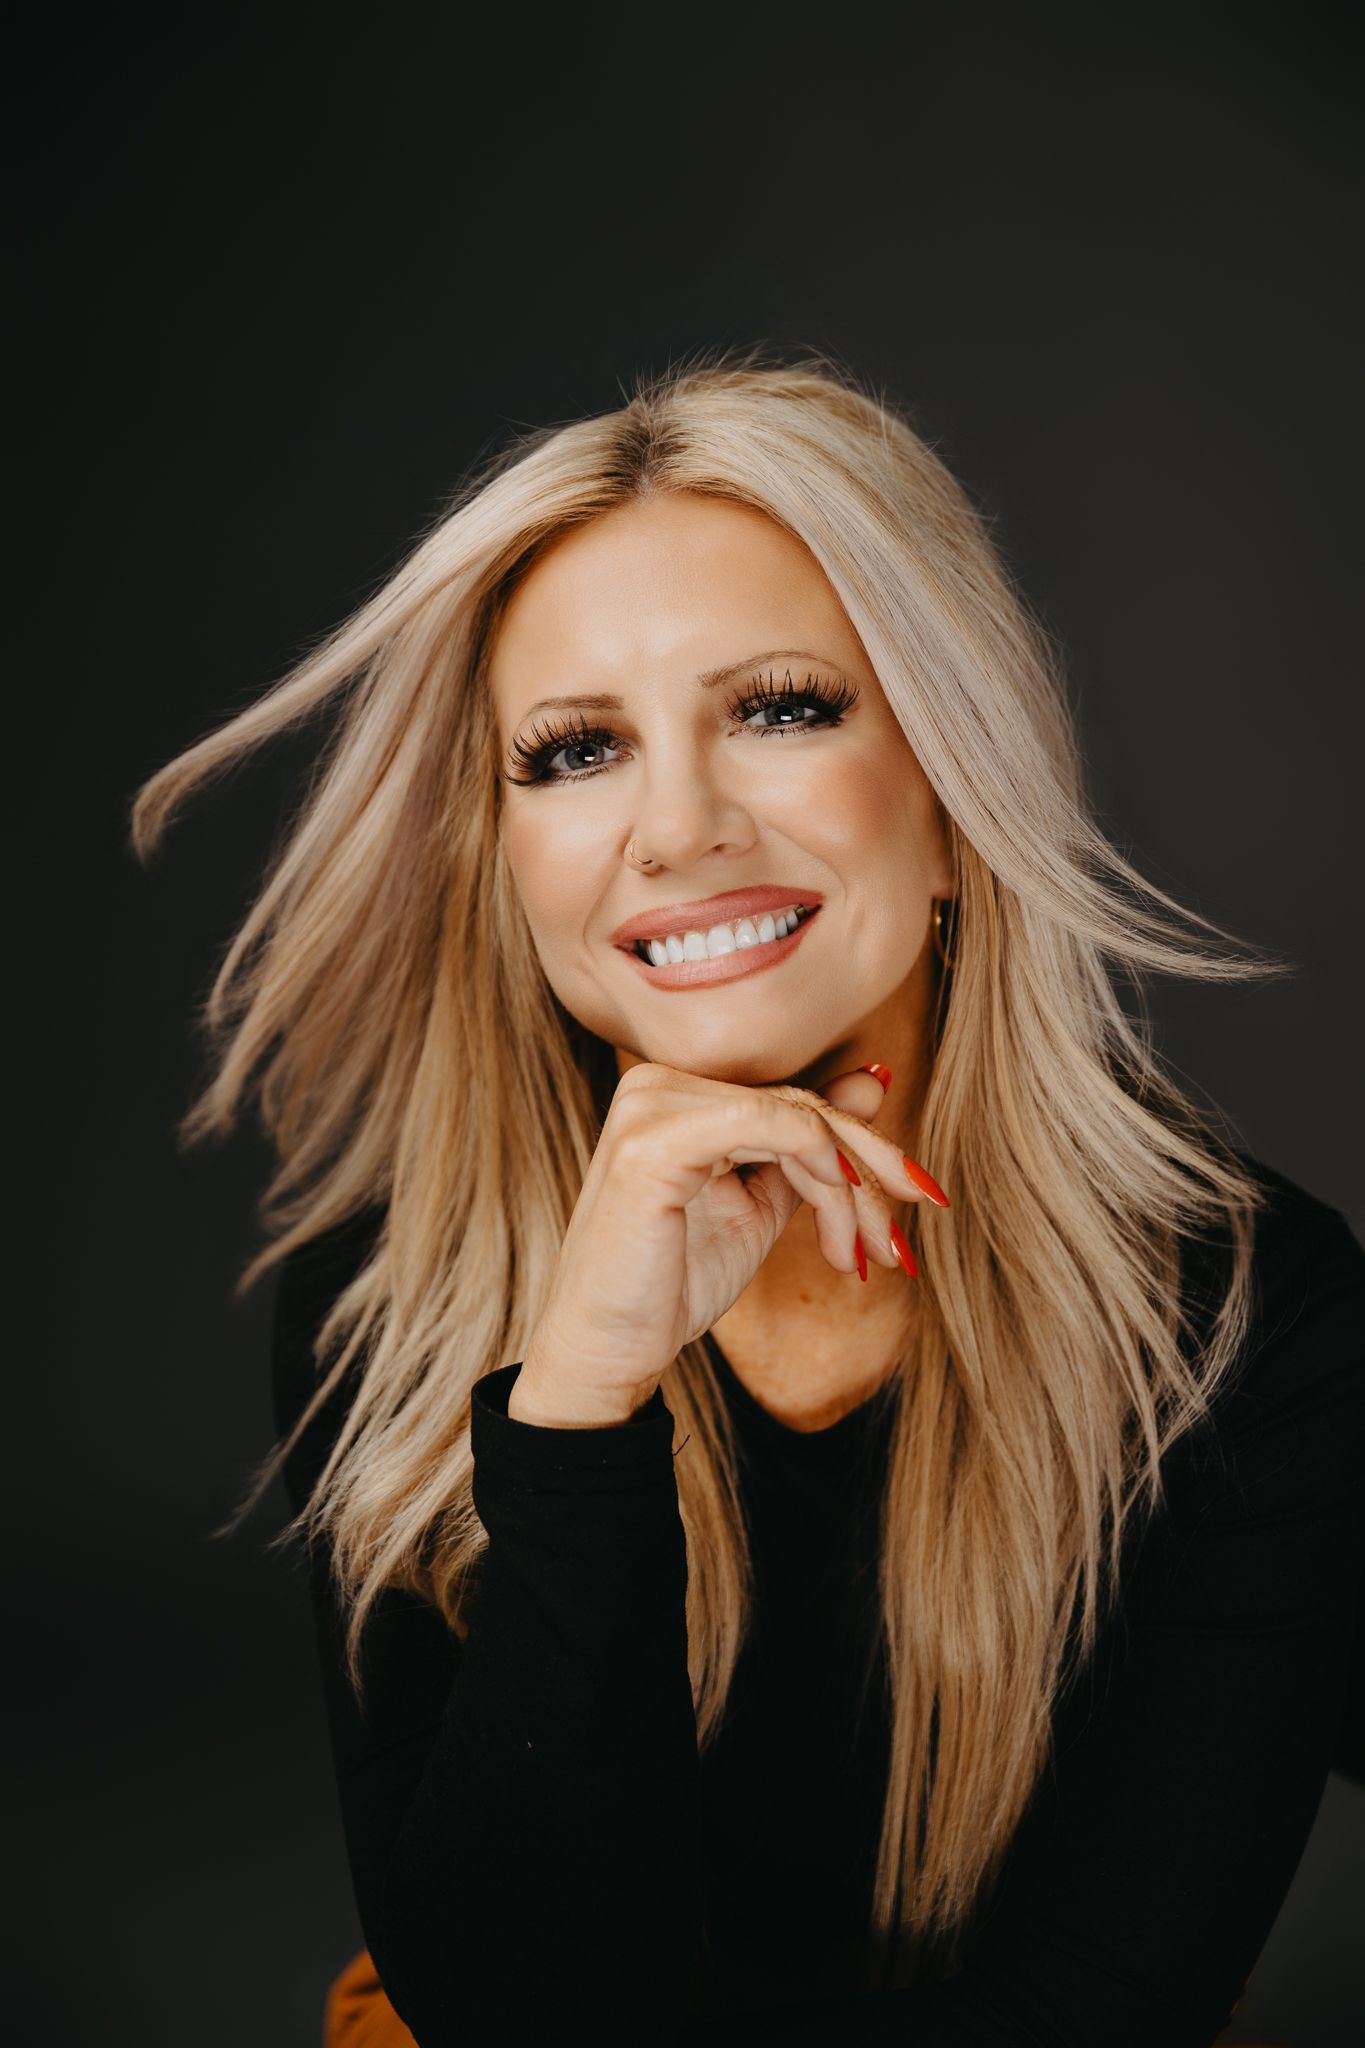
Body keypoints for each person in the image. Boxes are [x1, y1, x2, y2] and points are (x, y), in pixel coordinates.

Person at [130, 347, 1365, 2048]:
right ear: (506, 867)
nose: (674, 826)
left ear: (952, 789)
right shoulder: (381, 1308)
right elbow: (507, 2007)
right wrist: (577, 1400)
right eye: (572, 752)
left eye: (779, 709)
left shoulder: (1247, 1317)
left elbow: (1093, 2014)